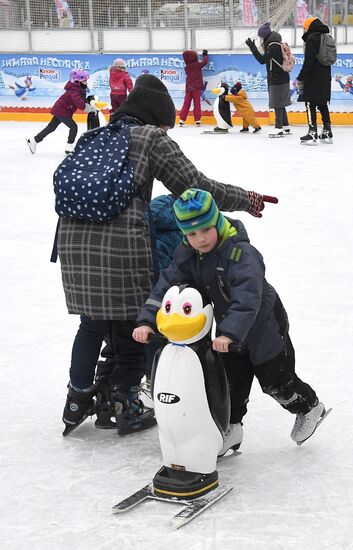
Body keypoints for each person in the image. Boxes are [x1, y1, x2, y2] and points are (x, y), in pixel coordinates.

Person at [56, 74, 276, 437]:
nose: (167, 134)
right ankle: (126, 402)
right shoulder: (150, 138)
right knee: (138, 323)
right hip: (121, 247)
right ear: (156, 119)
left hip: (73, 244)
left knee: (91, 322)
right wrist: (245, 199)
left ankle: (78, 398)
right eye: (166, 126)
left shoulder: (92, 138)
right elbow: (197, 188)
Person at [133, 188, 327, 452]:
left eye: (205, 230)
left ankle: (309, 407)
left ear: (217, 221)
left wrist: (231, 334)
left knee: (276, 381)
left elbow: (248, 299)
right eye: (191, 234)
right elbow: (167, 285)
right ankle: (231, 428)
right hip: (228, 329)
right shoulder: (189, 254)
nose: (199, 239)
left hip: (263, 326)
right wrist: (147, 320)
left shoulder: (241, 253)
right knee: (230, 382)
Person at [26, 69, 98, 155]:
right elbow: (79, 103)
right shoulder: (74, 90)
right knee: (73, 126)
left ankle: (34, 140)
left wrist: (90, 102)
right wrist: (90, 109)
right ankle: (69, 146)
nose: (86, 82)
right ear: (77, 81)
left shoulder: (79, 88)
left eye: (86, 80)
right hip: (62, 110)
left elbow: (82, 99)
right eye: (84, 80)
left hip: (62, 110)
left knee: (51, 127)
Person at [246, 22, 291, 137]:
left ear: (265, 36)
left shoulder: (273, 46)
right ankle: (285, 125)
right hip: (281, 77)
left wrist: (253, 48)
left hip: (277, 78)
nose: (261, 39)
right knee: (281, 102)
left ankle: (278, 127)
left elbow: (262, 60)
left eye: (261, 37)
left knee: (277, 102)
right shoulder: (275, 43)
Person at [296, 17, 334, 144]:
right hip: (325, 76)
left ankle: (312, 132)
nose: (304, 30)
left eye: (305, 27)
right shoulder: (326, 37)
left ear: (309, 27)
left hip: (313, 77)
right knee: (323, 103)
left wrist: (300, 77)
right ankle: (327, 130)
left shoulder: (312, 39)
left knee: (309, 103)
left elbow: (309, 61)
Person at [179, 49, 209, 127]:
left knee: (186, 103)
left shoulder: (187, 67)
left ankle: (182, 119)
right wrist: (205, 55)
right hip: (196, 87)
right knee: (197, 103)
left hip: (189, 87)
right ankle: (197, 120)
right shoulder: (197, 65)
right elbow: (205, 62)